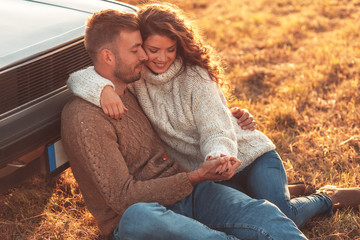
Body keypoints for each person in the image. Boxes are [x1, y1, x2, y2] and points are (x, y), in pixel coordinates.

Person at [67, 3, 360, 233]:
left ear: (179, 46)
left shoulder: (194, 77)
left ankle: (328, 197)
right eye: (152, 49)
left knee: (281, 214)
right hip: (209, 172)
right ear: (141, 48)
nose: (160, 58)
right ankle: (274, 192)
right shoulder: (137, 76)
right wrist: (103, 89)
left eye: (170, 50)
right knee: (242, 214)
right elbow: (82, 76)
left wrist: (218, 157)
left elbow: (215, 130)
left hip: (245, 155)